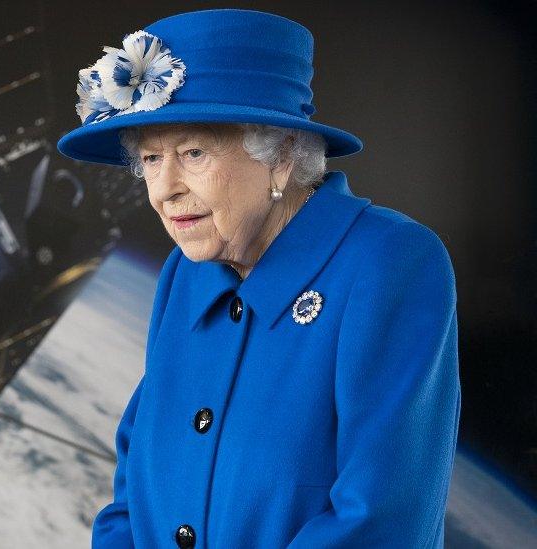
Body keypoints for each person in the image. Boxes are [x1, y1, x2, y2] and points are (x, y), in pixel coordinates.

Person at [56, 8, 461, 549]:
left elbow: (383, 522)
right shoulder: (187, 273)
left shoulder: (389, 263)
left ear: (282, 156)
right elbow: (134, 491)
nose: (163, 190)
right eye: (151, 159)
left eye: (193, 153)